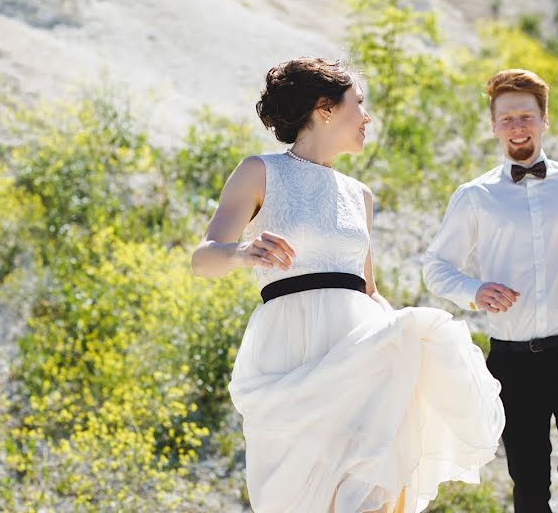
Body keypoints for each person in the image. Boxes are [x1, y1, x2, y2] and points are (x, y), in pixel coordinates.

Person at [191, 57, 505, 513]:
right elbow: (203, 259)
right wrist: (242, 253)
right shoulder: (259, 171)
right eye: (358, 103)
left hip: (361, 355)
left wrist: (413, 334)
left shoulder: (360, 195)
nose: (367, 116)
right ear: (325, 109)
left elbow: (368, 290)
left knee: (370, 488)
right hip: (291, 350)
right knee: (297, 493)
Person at [422, 69, 558, 512]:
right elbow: (436, 267)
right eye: (507, 119)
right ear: (493, 126)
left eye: (526, 117)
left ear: (544, 120)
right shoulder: (475, 196)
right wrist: (475, 290)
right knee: (529, 483)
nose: (518, 127)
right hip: (514, 361)